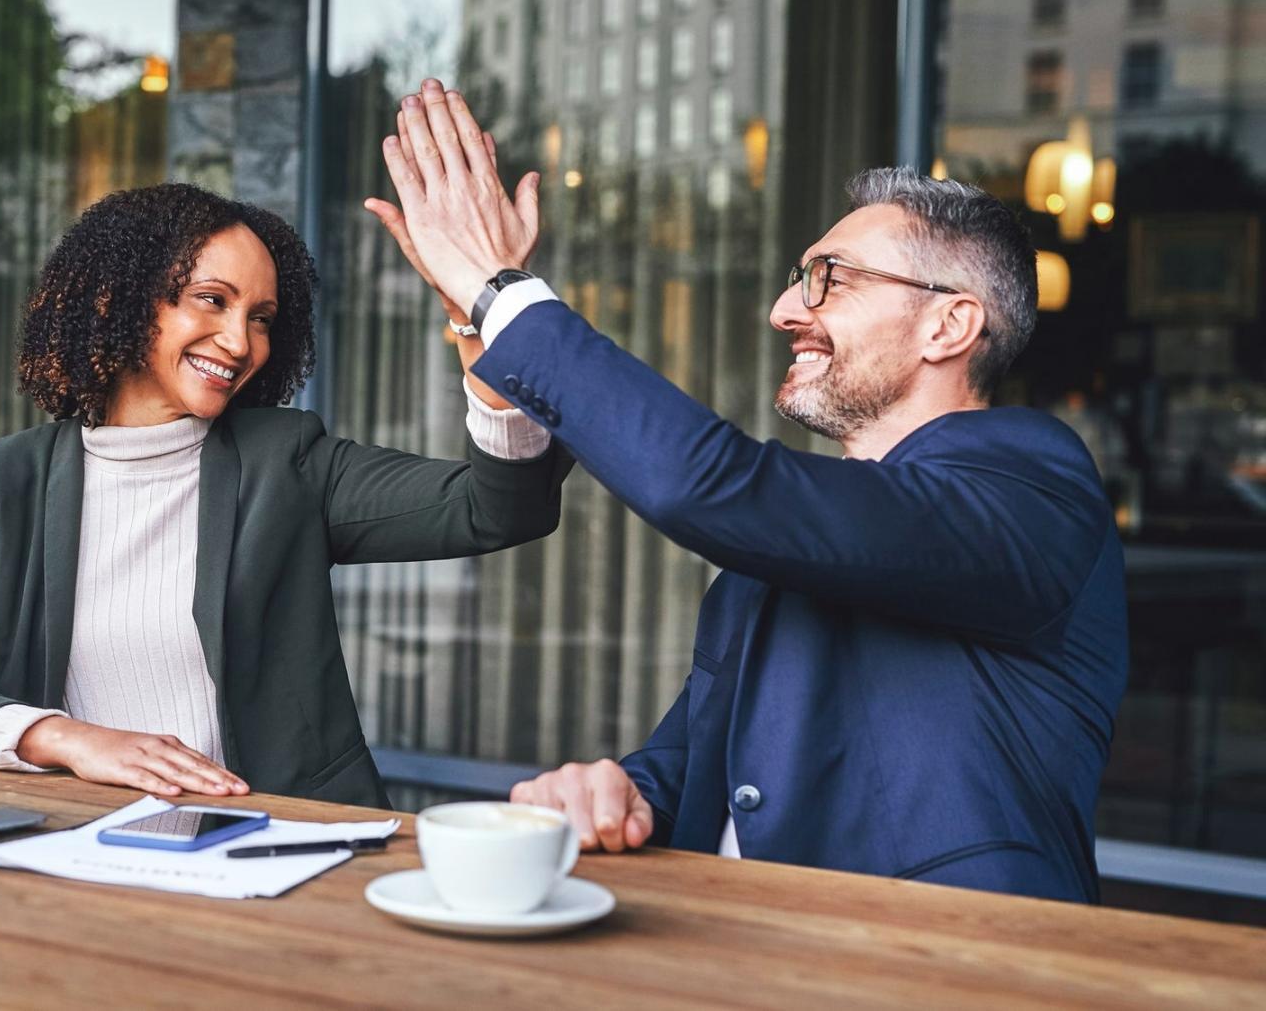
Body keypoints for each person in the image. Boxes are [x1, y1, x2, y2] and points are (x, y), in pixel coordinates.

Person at [364, 78, 1127, 901]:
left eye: (829, 277)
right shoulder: (787, 543)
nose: (781, 310)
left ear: (949, 325)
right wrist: (616, 793)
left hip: (942, 964)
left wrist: (501, 292)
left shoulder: (1033, 482)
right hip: (740, 953)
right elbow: (689, 769)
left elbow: (707, 486)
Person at [0, 182, 570, 809]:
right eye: (213, 300)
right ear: (116, 298)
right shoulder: (2, 482)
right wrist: (68, 738)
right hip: (74, 847)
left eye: (261, 317)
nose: (240, 342)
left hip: (280, 852)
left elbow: (500, 505)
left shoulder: (286, 463)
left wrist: (483, 317)